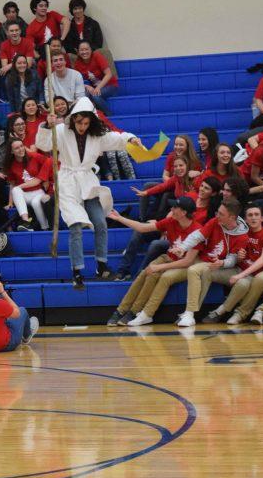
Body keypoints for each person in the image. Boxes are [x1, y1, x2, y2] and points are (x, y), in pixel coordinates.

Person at [36, 97, 139, 288]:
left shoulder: (98, 136)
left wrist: (131, 138)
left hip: (88, 181)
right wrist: (46, 125)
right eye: (79, 122)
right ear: (73, 119)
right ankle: (77, 271)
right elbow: (43, 145)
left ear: (91, 121)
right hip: (67, 180)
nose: (82, 126)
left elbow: (118, 139)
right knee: (75, 226)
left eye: (85, 122)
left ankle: (102, 266)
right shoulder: (60, 131)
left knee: (100, 222)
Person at [106, 197, 203, 326]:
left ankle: (134, 311)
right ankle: (121, 310)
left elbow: (187, 262)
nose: (171, 209)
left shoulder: (197, 231)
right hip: (168, 258)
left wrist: (159, 267)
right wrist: (119, 218)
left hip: (183, 264)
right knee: (144, 273)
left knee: (153, 274)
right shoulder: (171, 221)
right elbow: (142, 228)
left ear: (184, 213)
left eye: (175, 207)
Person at [73, 41, 118, 110]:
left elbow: (109, 74)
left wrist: (98, 88)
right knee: (84, 96)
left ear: (91, 50)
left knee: (95, 96)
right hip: (94, 87)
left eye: (86, 49)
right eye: (82, 50)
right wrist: (87, 86)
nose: (84, 52)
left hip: (110, 85)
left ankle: (109, 115)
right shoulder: (77, 63)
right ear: (78, 52)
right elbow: (76, 81)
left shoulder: (97, 56)